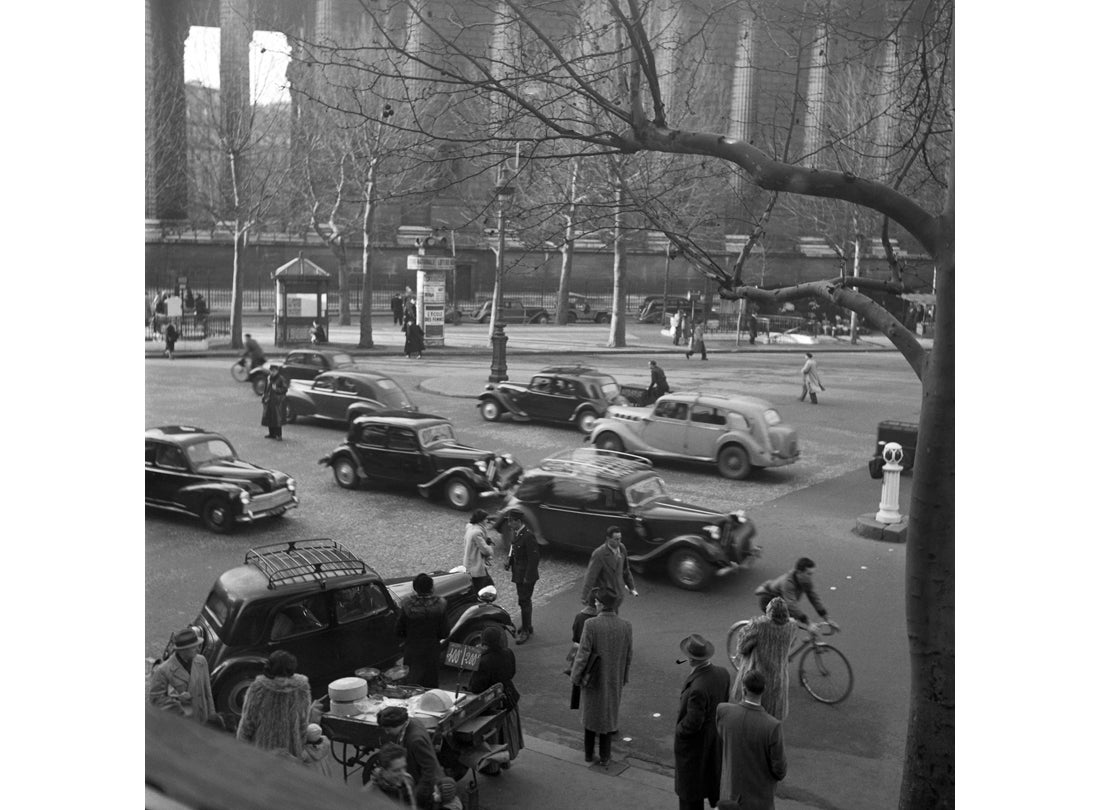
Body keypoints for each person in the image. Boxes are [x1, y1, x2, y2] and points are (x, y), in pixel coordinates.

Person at [569, 587, 633, 767]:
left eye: (597, 602)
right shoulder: (626, 626)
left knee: (590, 718)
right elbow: (629, 655)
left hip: (593, 678)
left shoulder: (591, 625)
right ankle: (605, 755)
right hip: (614, 678)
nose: (595, 604)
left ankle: (589, 754)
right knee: (608, 718)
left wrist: (575, 676)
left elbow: (583, 654)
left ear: (602, 605)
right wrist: (624, 677)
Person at [674, 633, 731, 810]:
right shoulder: (722, 674)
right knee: (713, 783)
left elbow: (693, 722)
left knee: (690, 795)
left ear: (691, 659)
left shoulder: (698, 688)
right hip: (714, 741)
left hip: (694, 749)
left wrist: (679, 731)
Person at [716, 669, 787, 809]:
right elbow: (780, 770)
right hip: (759, 800)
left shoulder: (723, 711)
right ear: (764, 689)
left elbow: (722, 735)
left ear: (743, 689)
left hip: (730, 794)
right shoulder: (772, 726)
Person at [730, 598, 799, 721]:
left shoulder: (759, 625)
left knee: (751, 709)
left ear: (769, 612)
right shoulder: (792, 626)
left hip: (757, 673)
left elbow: (742, 645)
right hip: (778, 675)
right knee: (771, 713)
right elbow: (791, 644)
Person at [236, 650, 312, 757]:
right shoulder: (301, 688)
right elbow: (303, 723)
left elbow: (247, 724)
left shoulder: (259, 688)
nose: (282, 680)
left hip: (265, 752)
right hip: (290, 752)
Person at [468, 624, 523, 772]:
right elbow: (512, 673)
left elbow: (475, 687)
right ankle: (505, 761)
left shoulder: (483, 661)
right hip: (509, 698)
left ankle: (493, 767)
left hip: (492, 706)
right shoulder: (508, 653)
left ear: (484, 642)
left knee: (494, 738)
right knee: (507, 736)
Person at [147, 627, 216, 724]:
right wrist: (177, 700)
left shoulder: (201, 661)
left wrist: (212, 717)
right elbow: (156, 701)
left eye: (198, 645)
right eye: (194, 647)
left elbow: (208, 692)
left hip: (201, 721)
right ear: (182, 650)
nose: (198, 649)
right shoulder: (163, 671)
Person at [377, 706, 443, 804]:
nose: (387, 732)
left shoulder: (415, 740)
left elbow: (430, 768)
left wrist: (419, 794)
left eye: (388, 729)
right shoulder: (412, 722)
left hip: (427, 787)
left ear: (397, 725)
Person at [396, 573, 448, 688]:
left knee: (412, 683)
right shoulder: (440, 606)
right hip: (431, 650)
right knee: (430, 684)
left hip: (412, 650)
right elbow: (445, 632)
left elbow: (399, 630)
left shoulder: (407, 606)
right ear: (431, 588)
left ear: (415, 588)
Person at [753, 557, 832, 627]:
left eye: (811, 574)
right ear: (799, 572)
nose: (810, 577)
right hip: (770, 602)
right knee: (782, 627)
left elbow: (814, 597)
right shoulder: (787, 584)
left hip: (783, 603)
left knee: (793, 623)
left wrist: (826, 618)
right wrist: (808, 623)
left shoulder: (806, 580)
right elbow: (791, 605)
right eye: (808, 574)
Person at [580, 525, 637, 613]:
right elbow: (591, 576)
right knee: (603, 620)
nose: (619, 542)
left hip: (617, 594)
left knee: (614, 617)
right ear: (608, 539)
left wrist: (631, 587)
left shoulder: (622, 548)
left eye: (620, 539)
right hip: (604, 597)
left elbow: (625, 570)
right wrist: (584, 596)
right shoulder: (599, 554)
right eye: (616, 539)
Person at [504, 513, 540, 644]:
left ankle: (525, 631)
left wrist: (528, 577)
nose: (509, 524)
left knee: (524, 601)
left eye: (511, 521)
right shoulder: (517, 532)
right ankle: (527, 625)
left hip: (526, 576)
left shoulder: (528, 536)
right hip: (519, 573)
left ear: (518, 521)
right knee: (523, 600)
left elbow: (534, 558)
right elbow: (514, 547)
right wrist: (509, 560)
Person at [565, 604, 598, 710]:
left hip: (579, 650)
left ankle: (575, 704)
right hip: (595, 655)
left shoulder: (580, 616)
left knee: (577, 675)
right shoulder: (598, 620)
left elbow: (574, 635)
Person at [363, 741, 416, 806]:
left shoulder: (408, 780)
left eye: (404, 767)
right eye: (396, 770)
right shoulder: (371, 794)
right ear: (383, 770)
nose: (403, 773)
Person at [463, 509, 495, 592]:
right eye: (485, 519)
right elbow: (485, 550)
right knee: (483, 587)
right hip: (475, 565)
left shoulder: (470, 527)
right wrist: (490, 547)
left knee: (483, 585)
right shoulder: (477, 532)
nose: (487, 521)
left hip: (471, 563)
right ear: (480, 520)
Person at [261, 364, 289, 440]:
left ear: (277, 371)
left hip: (277, 401)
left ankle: (278, 435)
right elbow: (266, 387)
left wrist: (276, 389)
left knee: (277, 418)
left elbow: (285, 389)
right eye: (271, 371)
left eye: (273, 371)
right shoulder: (269, 378)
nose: (272, 372)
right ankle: (271, 433)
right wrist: (264, 395)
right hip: (269, 400)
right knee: (269, 417)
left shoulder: (281, 379)